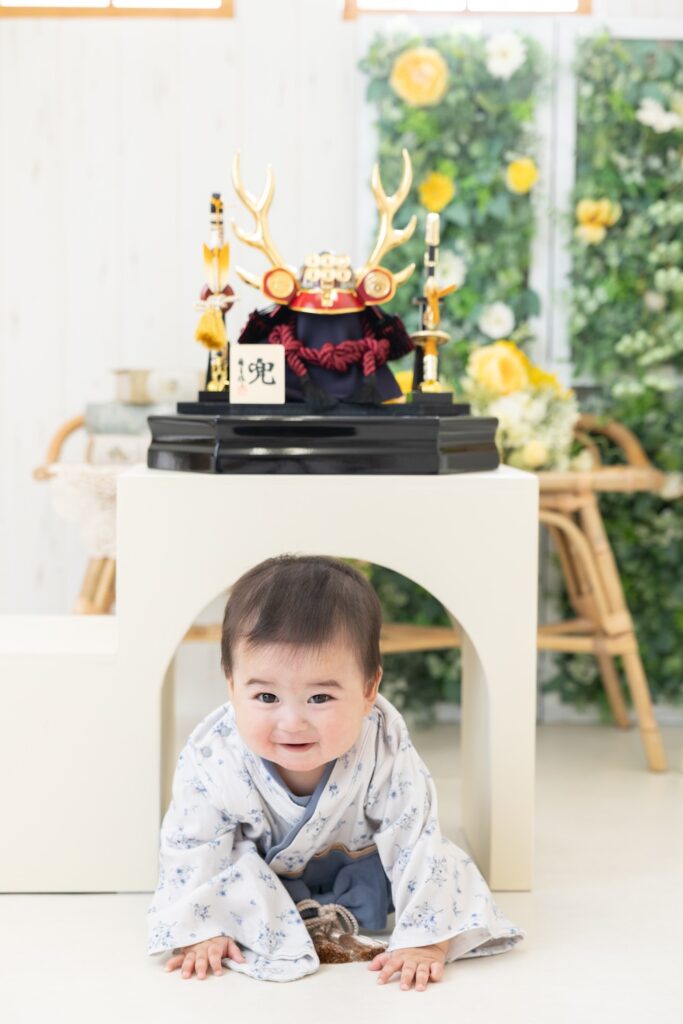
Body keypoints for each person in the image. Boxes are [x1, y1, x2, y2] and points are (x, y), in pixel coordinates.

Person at [147, 555, 523, 988]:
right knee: (217, 862)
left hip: (365, 865)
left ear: (368, 689)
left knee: (445, 861)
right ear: (232, 685)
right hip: (260, 876)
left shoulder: (383, 747)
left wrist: (424, 940)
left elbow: (413, 835)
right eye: (266, 697)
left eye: (320, 698)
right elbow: (193, 843)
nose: (292, 723)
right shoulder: (215, 755)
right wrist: (201, 926)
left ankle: (431, 928)